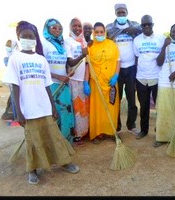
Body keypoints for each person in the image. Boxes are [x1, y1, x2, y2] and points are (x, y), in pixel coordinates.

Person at [3, 21, 79, 185]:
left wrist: (53, 107)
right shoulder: (15, 59)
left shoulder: (41, 60)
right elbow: (14, 86)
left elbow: (47, 84)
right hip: (28, 109)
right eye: (25, 36)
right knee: (33, 140)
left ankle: (64, 162)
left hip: (44, 106)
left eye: (31, 37)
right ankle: (33, 170)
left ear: (35, 39)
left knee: (54, 137)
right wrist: (18, 111)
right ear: (19, 37)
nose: (29, 39)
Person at [106, 3, 142, 135]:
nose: (121, 15)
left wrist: (131, 30)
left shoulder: (135, 26)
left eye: (123, 12)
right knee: (116, 98)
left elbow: (143, 31)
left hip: (131, 67)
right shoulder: (109, 28)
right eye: (119, 13)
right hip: (117, 69)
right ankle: (117, 126)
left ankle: (131, 125)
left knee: (132, 97)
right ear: (115, 13)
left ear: (127, 12)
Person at [42, 18, 75, 144]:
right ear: (47, 29)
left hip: (64, 85)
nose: (57, 30)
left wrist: (69, 71)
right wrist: (58, 77)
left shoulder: (62, 44)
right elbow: (42, 69)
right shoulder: (44, 44)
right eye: (54, 28)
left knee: (66, 112)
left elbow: (65, 64)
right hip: (51, 85)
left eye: (59, 28)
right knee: (54, 114)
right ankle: (55, 144)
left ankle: (67, 142)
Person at [87, 22, 120, 144]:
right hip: (96, 83)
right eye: (97, 32)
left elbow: (118, 61)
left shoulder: (112, 45)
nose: (99, 34)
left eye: (101, 32)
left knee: (112, 108)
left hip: (111, 83)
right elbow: (87, 66)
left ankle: (111, 132)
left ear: (105, 32)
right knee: (97, 109)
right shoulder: (90, 48)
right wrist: (86, 82)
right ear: (93, 33)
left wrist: (116, 75)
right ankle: (98, 133)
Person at [133, 15, 165, 140]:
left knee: (159, 106)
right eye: (144, 25)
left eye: (149, 24)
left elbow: (163, 58)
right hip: (141, 78)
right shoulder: (136, 40)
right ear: (141, 26)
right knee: (144, 106)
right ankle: (144, 130)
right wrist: (135, 77)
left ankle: (160, 130)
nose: (146, 26)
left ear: (153, 24)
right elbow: (136, 58)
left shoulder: (161, 38)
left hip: (157, 78)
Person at [64, 17, 90, 145]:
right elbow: (70, 62)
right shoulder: (67, 41)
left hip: (82, 79)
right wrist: (82, 54)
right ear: (70, 27)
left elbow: (86, 64)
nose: (78, 28)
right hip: (73, 79)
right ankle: (76, 134)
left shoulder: (83, 41)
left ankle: (84, 132)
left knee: (84, 107)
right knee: (76, 108)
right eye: (74, 26)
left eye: (79, 26)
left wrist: (86, 81)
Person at [1, 39, 18, 120]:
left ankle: (14, 114)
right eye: (7, 46)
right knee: (14, 96)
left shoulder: (18, 55)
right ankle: (12, 114)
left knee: (15, 96)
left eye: (9, 46)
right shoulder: (6, 57)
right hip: (11, 80)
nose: (8, 48)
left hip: (18, 79)